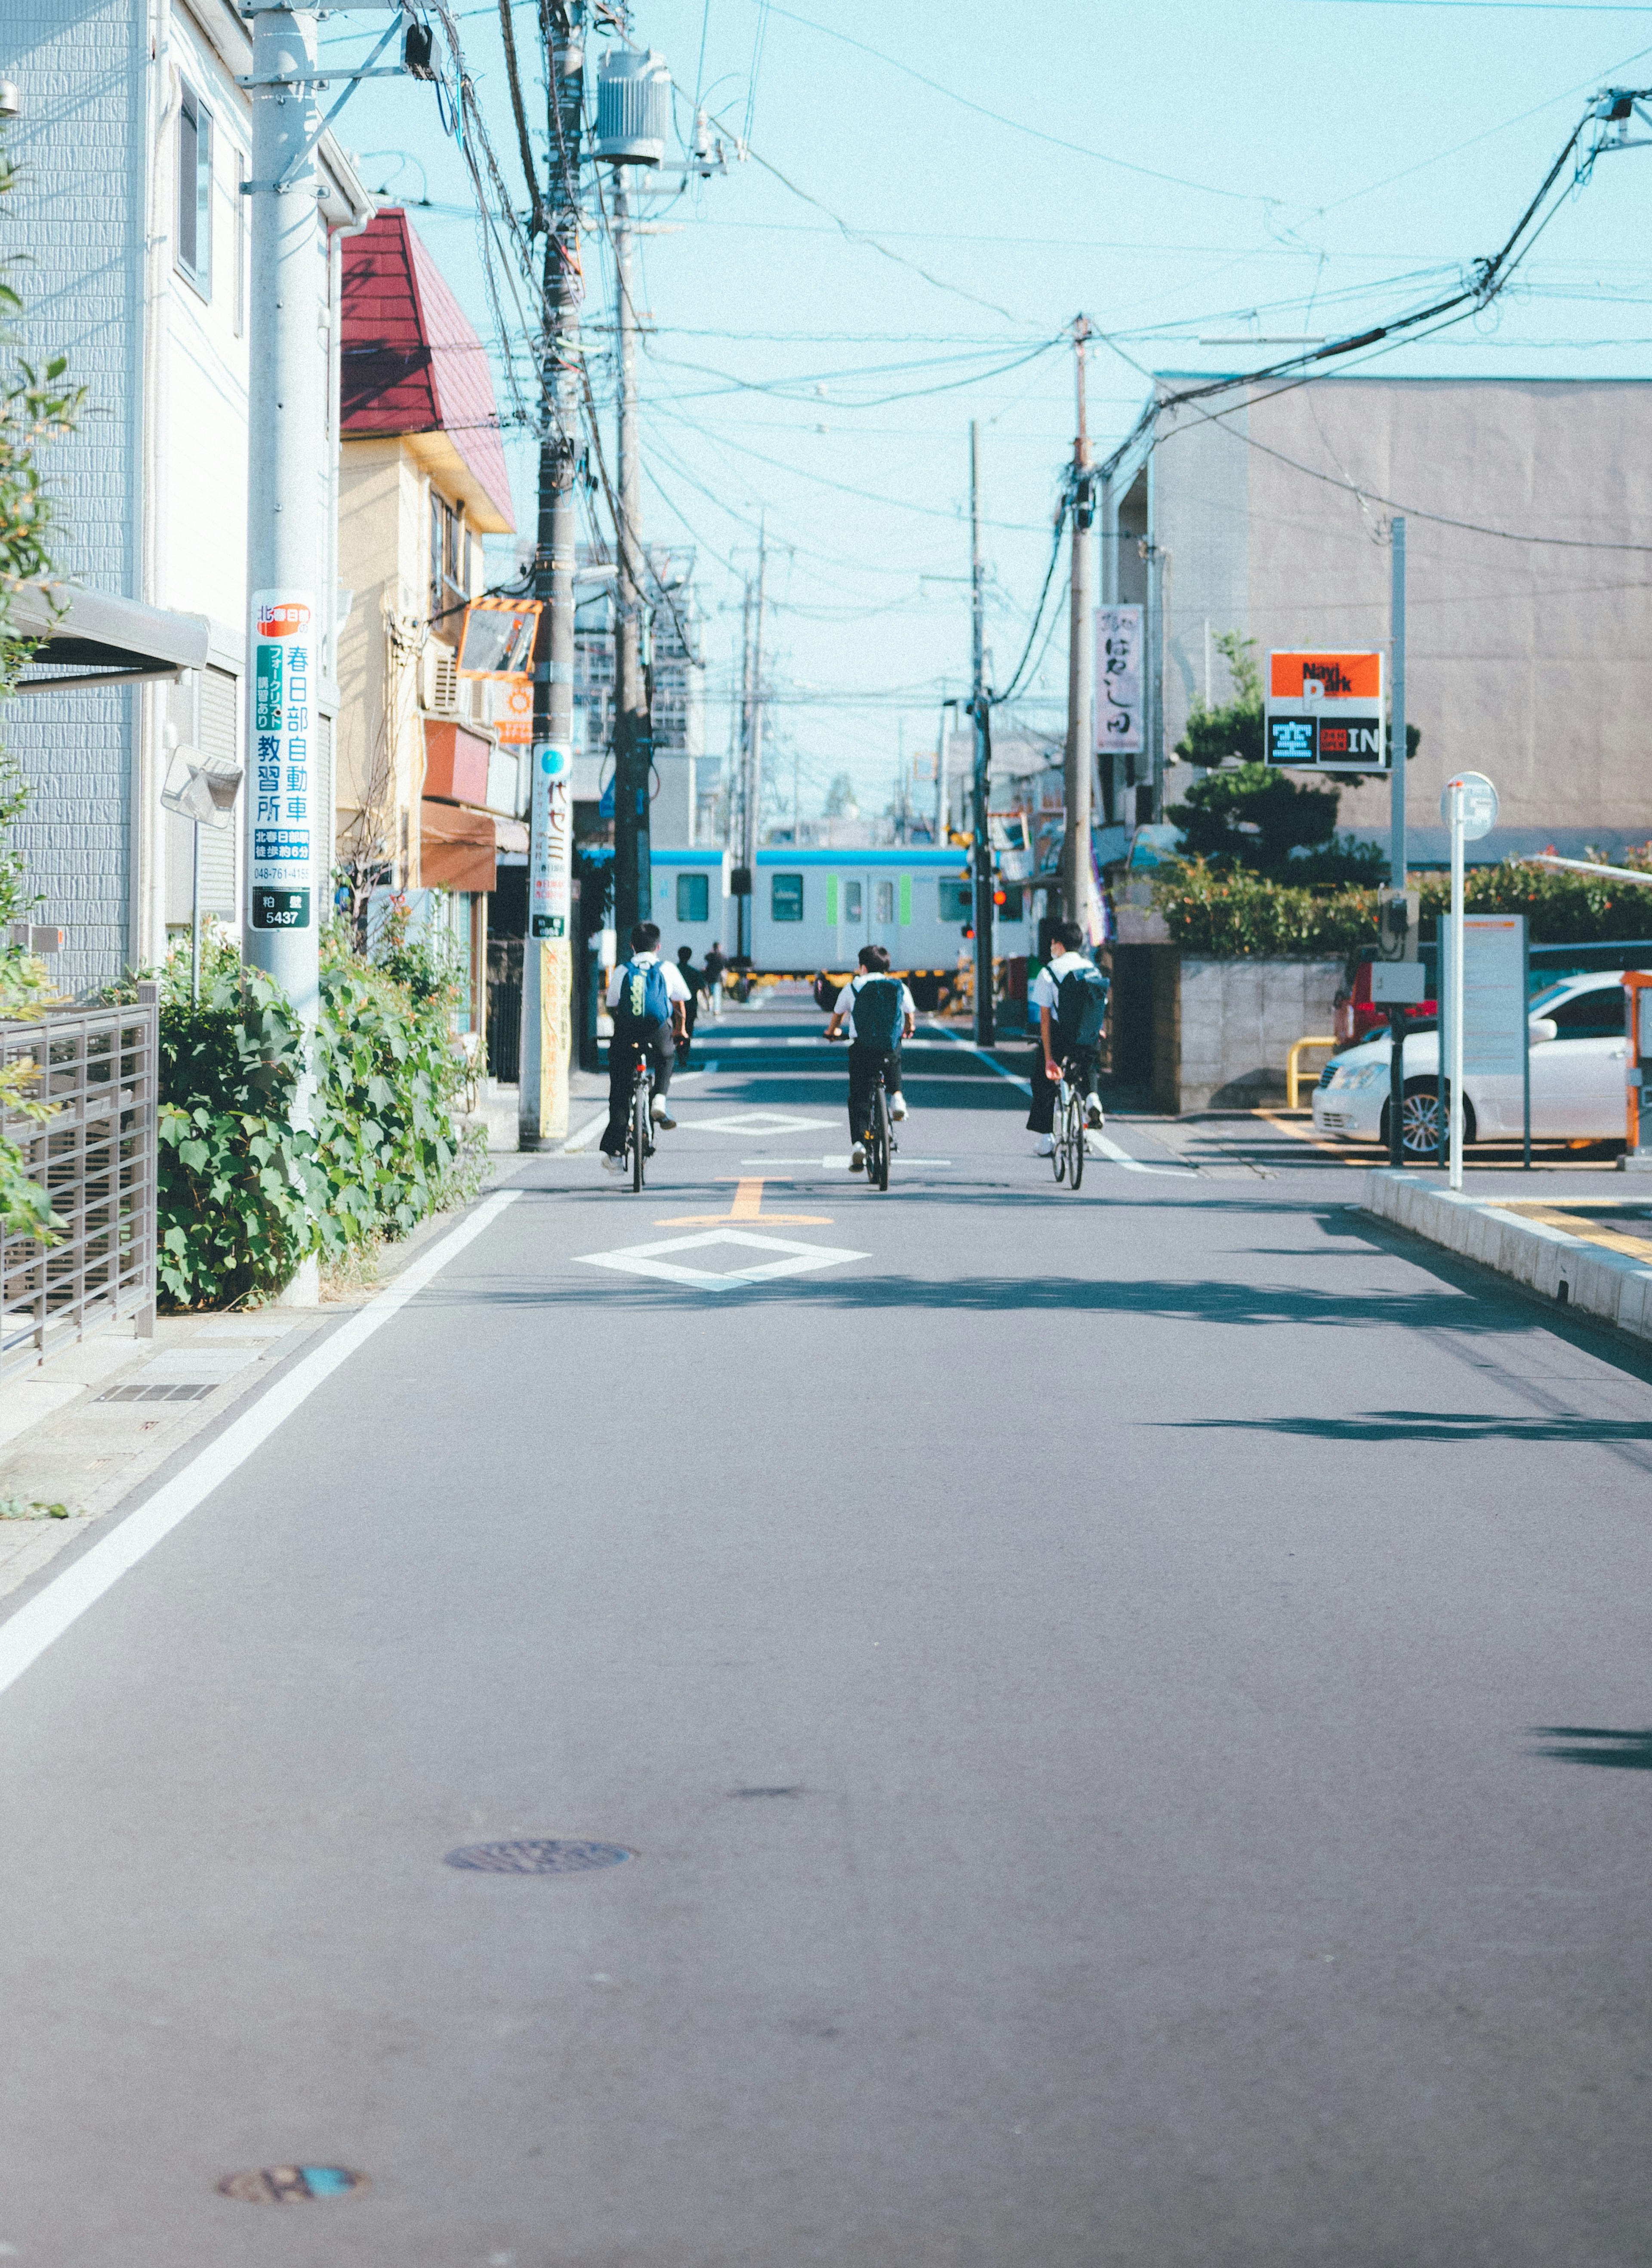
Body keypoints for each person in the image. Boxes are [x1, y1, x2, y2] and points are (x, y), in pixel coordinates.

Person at [600, 922, 690, 1174]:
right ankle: (659, 1097)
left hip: (627, 1033)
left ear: (632, 946)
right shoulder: (667, 968)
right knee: (666, 1057)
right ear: (658, 947)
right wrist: (680, 1029)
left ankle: (616, 1157)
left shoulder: (623, 970)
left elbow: (613, 1004)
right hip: (657, 1031)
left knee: (619, 1092)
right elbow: (679, 1003)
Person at [823, 943, 915, 1173]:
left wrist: (833, 1033)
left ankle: (859, 1145)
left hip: (862, 1048)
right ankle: (897, 1097)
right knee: (894, 1053)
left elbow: (836, 1021)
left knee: (858, 1096)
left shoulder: (853, 987)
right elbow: (910, 1018)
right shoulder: (898, 987)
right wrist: (908, 1029)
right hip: (887, 1047)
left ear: (862, 967)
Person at [1026, 920, 1109, 1157]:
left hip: (1060, 1036)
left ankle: (1047, 1138)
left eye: (1053, 943)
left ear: (1058, 945)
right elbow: (1097, 1006)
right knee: (1088, 1065)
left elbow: (1045, 1019)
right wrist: (1098, 1030)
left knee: (1042, 1083)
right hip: (1088, 1034)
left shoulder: (1049, 972)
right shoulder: (1092, 969)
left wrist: (1049, 1059)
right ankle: (1092, 1098)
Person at [675, 945, 705, 1065]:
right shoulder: (694, 972)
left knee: (676, 1029)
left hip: (675, 1007)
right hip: (691, 1007)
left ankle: (678, 1051)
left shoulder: (674, 970)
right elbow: (702, 987)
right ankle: (684, 1055)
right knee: (688, 1031)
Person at [702, 943, 726, 1017]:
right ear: (719, 948)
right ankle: (716, 1010)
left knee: (709, 995)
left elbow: (706, 958)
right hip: (717, 978)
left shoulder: (710, 956)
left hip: (709, 978)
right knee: (717, 995)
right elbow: (725, 964)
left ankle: (710, 1008)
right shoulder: (721, 957)